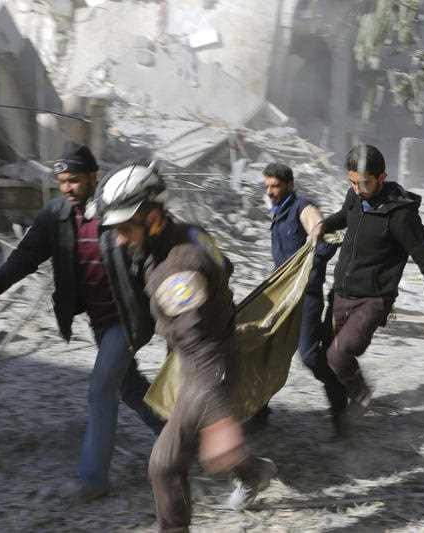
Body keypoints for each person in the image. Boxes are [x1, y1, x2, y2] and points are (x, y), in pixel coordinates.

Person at [0, 145, 162, 500]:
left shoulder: (120, 208)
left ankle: (92, 480)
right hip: (100, 321)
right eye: (61, 181)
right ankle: (178, 439)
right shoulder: (55, 215)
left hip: (129, 317)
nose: (67, 188)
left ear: (93, 177)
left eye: (74, 180)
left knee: (100, 389)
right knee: (129, 387)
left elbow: (156, 247)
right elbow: (28, 253)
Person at [99, 160, 277, 532]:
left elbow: (201, 350)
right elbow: (224, 266)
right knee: (178, 458)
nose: (119, 239)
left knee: (163, 466)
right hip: (206, 356)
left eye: (126, 228)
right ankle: (253, 471)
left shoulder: (177, 270)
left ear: (152, 216)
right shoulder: (191, 233)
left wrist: (221, 420)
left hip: (206, 368)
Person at [311, 144, 424, 422]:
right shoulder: (354, 196)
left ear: (382, 177)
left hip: (373, 300)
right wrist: (324, 225)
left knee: (339, 355)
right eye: (352, 182)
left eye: (364, 183)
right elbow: (345, 217)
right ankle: (342, 419)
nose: (357, 189)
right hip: (341, 293)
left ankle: (362, 396)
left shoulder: (401, 215)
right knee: (326, 359)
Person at [256, 162, 347, 432]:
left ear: (290, 185)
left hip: (305, 295)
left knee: (308, 355)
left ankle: (339, 399)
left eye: (276, 186)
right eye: (267, 186)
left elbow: (325, 235)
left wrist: (312, 264)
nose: (271, 191)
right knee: (267, 352)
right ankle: (259, 411)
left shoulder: (302, 207)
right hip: (282, 294)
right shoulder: (277, 212)